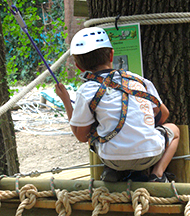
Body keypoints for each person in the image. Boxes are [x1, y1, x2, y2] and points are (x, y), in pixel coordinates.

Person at [55, 27, 180, 183]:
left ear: (79, 66)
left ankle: (113, 171)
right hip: (151, 155)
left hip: (112, 158)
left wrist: (66, 101)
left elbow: (81, 136)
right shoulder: (139, 80)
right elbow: (164, 115)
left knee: (95, 129)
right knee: (174, 129)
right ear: (112, 55)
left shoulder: (86, 90)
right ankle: (158, 174)